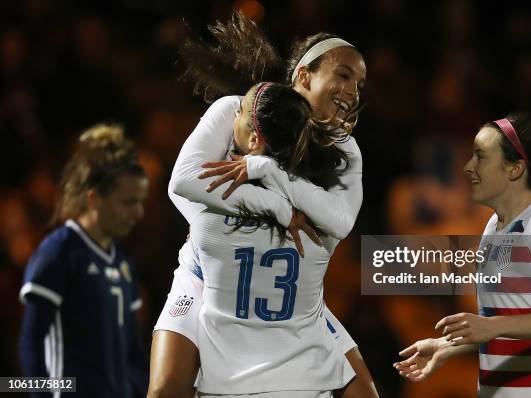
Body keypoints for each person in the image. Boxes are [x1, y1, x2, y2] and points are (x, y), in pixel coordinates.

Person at [148, 12, 377, 398]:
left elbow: (340, 223)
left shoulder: (343, 149)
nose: (353, 89)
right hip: (209, 275)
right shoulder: (238, 110)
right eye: (342, 74)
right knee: (166, 390)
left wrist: (263, 173)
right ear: (304, 76)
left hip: (285, 288)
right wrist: (274, 212)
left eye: (359, 82)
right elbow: (182, 183)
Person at [394, 113, 531, 397]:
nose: (468, 167)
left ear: (515, 169)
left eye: (481, 157)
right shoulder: (491, 230)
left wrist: (492, 325)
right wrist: (446, 346)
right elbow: (503, 324)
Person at [19, 124, 149, 397]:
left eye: (141, 202)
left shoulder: (123, 263)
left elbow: (132, 352)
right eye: (128, 202)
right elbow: (31, 343)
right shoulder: (59, 252)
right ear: (94, 198)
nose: (139, 214)